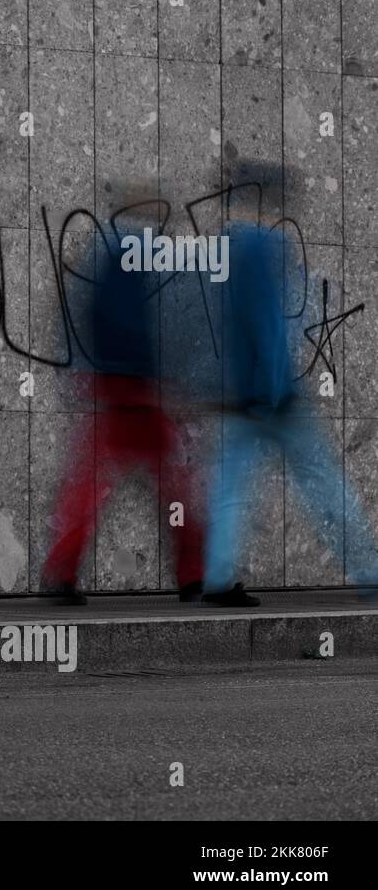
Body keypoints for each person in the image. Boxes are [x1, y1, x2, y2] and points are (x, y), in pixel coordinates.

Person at [202, 161, 378, 606]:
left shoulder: (226, 247)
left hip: (242, 394)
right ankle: (370, 571)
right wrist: (277, 390)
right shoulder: (262, 245)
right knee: (325, 484)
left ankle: (218, 580)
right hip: (273, 396)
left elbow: (229, 326)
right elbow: (267, 325)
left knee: (231, 489)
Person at [40, 183, 205, 605]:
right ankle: (193, 576)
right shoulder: (130, 246)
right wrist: (154, 379)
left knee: (93, 484)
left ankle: (61, 574)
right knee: (175, 484)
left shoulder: (112, 247)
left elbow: (91, 314)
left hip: (119, 388)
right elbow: (127, 321)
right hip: (134, 390)